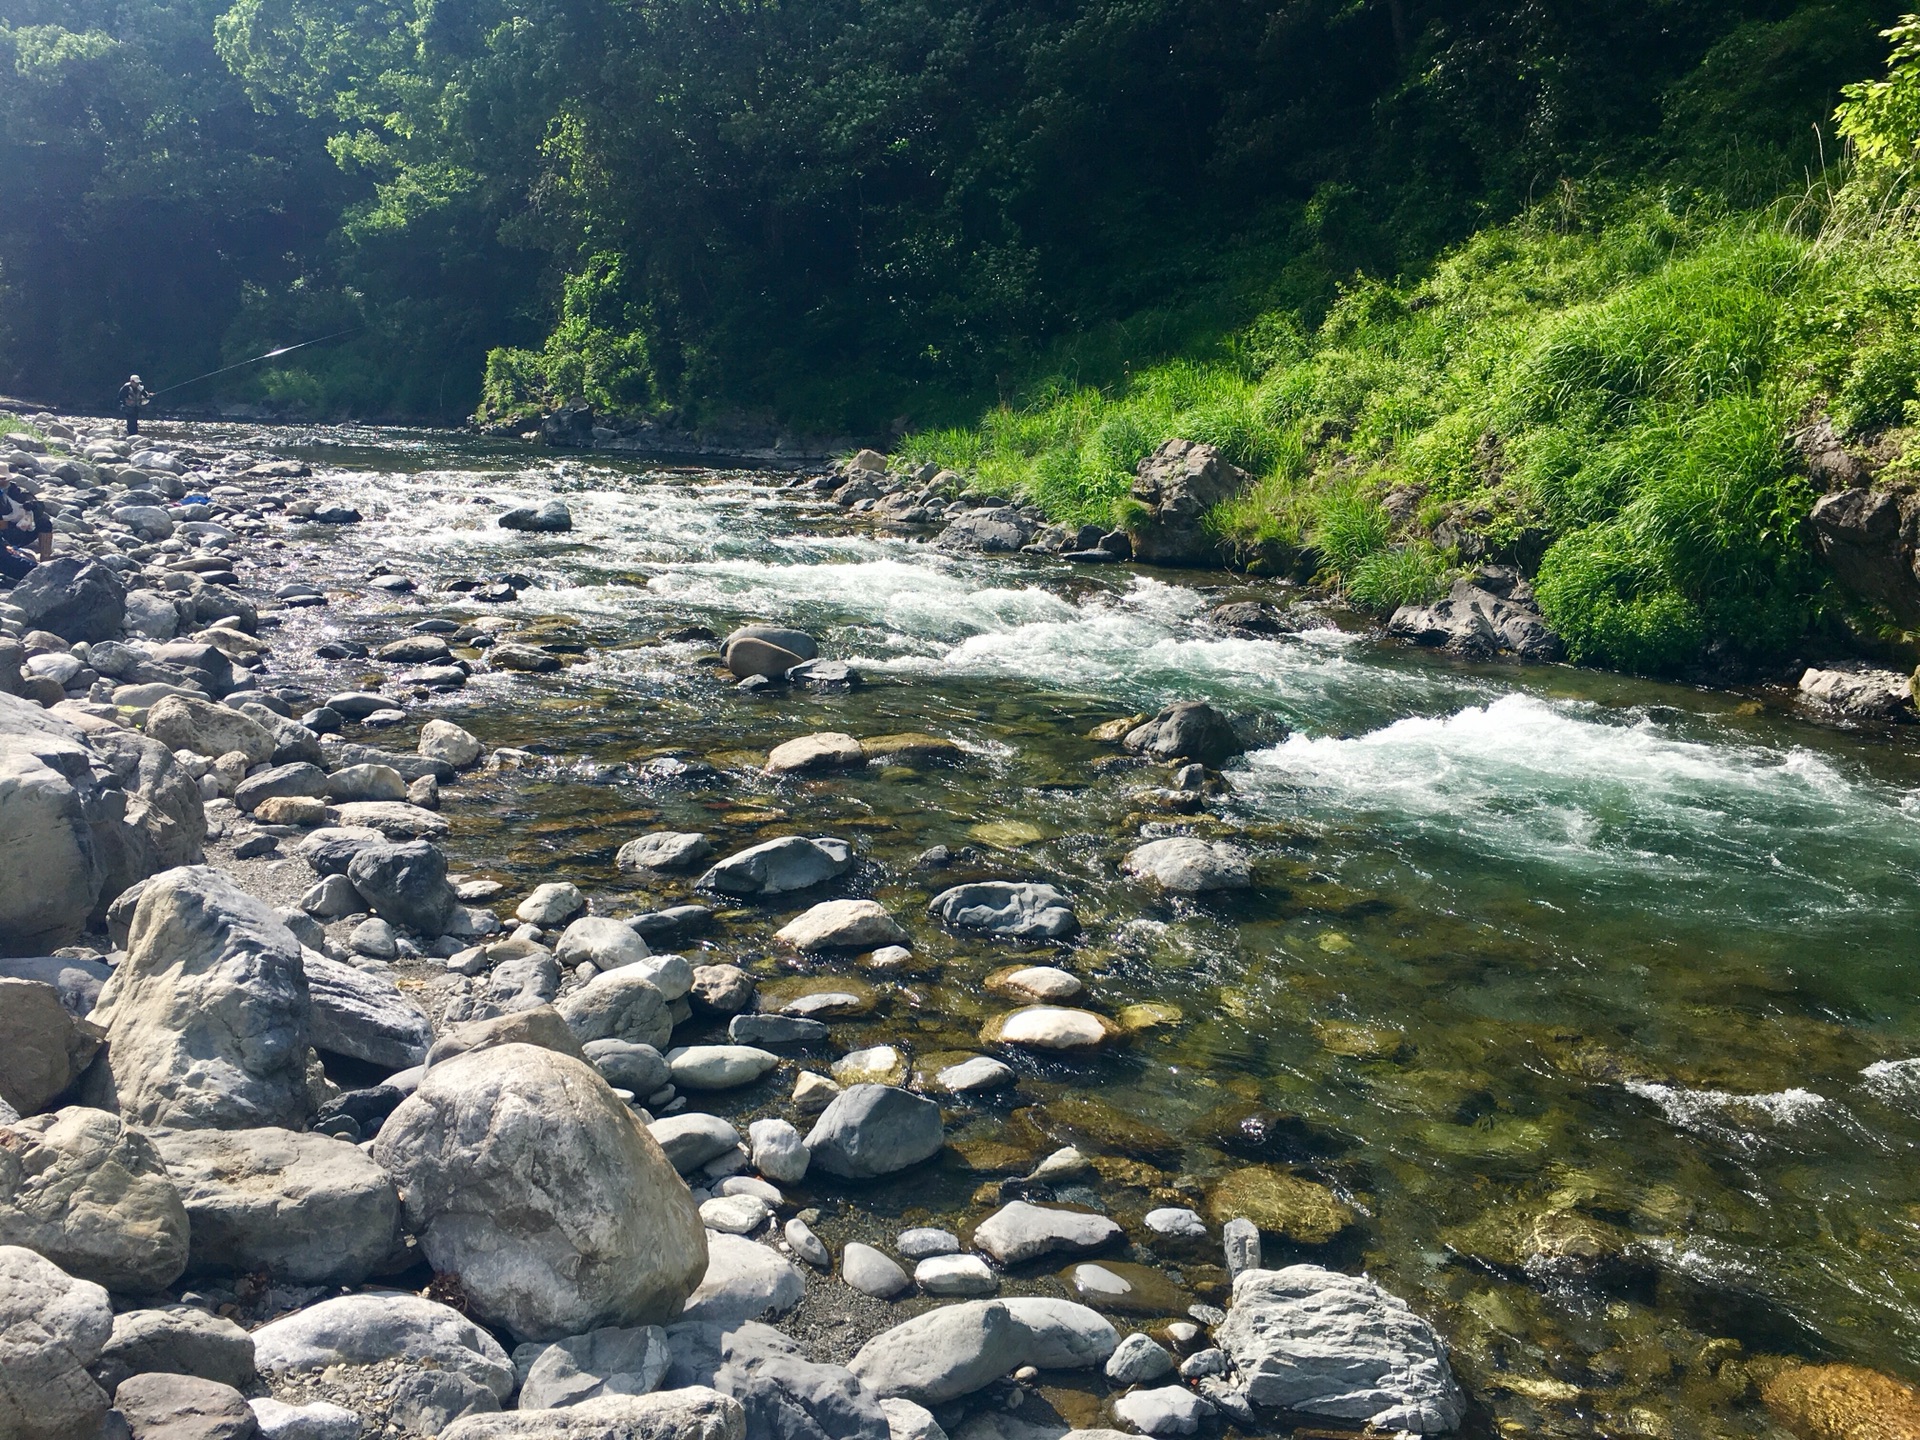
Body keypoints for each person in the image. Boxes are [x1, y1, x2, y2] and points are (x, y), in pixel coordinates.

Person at [0, 475, 52, 585]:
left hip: (16, 532)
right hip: (5, 534)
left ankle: (45, 562)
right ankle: (42, 573)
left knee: (44, 523)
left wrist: (33, 505)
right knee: (17, 565)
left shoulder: (15, 491)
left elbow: (37, 506)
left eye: (3, 480)